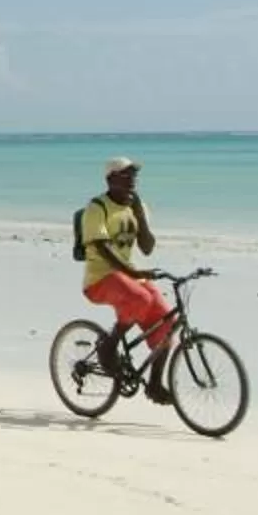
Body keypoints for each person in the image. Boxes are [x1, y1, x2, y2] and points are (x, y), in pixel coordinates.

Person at [77, 156, 173, 402]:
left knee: (166, 320)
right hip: (100, 278)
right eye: (125, 175)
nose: (132, 179)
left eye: (134, 175)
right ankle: (109, 346)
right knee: (139, 299)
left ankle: (154, 384)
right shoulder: (96, 208)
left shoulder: (135, 207)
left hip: (128, 275)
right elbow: (101, 247)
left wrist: (139, 214)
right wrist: (134, 274)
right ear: (110, 180)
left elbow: (147, 248)